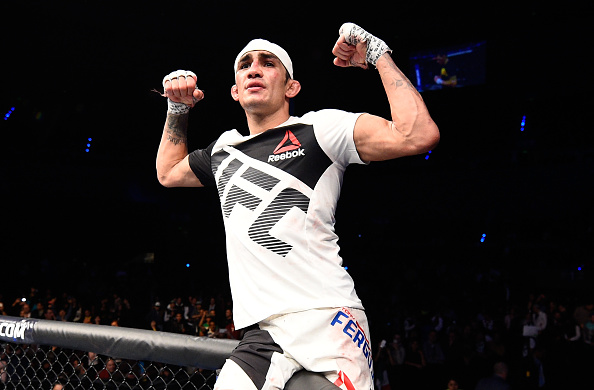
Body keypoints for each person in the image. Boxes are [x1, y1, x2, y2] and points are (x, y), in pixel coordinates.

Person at [156, 22, 439, 390]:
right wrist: (177, 108)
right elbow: (168, 173)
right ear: (235, 91)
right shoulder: (223, 151)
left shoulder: (320, 130)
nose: (254, 68)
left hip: (328, 318)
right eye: (245, 65)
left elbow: (418, 134)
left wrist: (377, 54)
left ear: (292, 87)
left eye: (268, 63)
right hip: (262, 334)